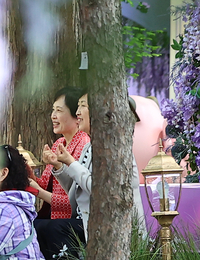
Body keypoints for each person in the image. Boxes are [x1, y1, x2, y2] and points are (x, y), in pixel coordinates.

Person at [48, 94, 146, 238]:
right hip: (89, 223)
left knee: (47, 229)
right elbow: (77, 188)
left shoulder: (114, 147)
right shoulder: (89, 146)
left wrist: (71, 163)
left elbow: (101, 189)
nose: (77, 112)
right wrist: (59, 166)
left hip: (112, 232)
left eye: (83, 106)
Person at [29, 86, 88, 218]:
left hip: (70, 224)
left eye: (59, 111)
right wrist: (26, 170)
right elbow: (44, 184)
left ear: (76, 115)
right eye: (53, 110)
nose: (53, 116)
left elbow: (74, 201)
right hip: (55, 219)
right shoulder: (59, 144)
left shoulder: (84, 144)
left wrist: (39, 192)